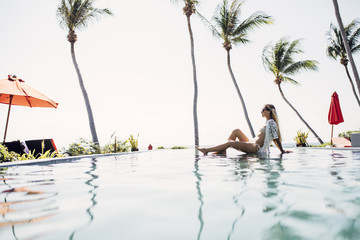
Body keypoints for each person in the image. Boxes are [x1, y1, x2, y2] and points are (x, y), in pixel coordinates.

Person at [196, 104, 291, 155]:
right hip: (250, 143)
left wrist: (282, 151)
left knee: (230, 143)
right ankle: (223, 150)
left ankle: (206, 150)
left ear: (269, 111)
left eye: (263, 110)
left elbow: (276, 138)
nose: (261, 111)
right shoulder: (267, 122)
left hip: (255, 147)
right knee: (236, 131)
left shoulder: (271, 122)